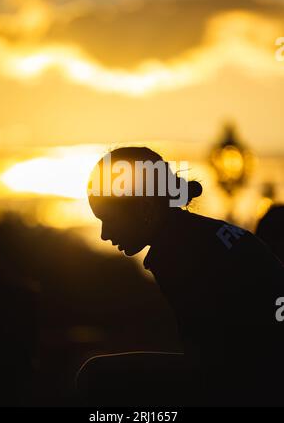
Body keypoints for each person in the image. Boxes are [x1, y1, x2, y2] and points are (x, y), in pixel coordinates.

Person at [88, 147, 284, 406]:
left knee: (95, 376)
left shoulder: (174, 253)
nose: (104, 234)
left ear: (146, 208)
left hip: (258, 378)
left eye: (108, 219)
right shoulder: (200, 234)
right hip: (263, 367)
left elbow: (207, 363)